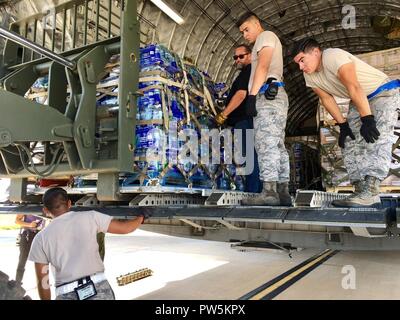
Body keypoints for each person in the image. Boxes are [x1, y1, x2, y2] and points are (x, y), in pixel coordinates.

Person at [293, 38, 400, 207]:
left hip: (382, 92)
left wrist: (368, 119)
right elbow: (326, 99)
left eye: (302, 60)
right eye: (297, 63)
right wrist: (342, 125)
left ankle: (371, 191)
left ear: (315, 52)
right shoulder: (309, 75)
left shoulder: (333, 56)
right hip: (358, 98)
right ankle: (359, 189)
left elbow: (354, 86)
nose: (300, 67)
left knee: (376, 138)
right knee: (348, 141)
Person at [28, 187, 146, 300]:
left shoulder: (40, 239)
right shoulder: (91, 217)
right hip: (97, 288)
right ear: (69, 203)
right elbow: (126, 228)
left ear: (45, 210)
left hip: (66, 293)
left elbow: (43, 282)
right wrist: (141, 217)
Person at [236, 12, 291, 206]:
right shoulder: (266, 39)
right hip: (274, 94)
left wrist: (251, 96)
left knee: (266, 143)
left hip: (267, 95)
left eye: (246, 29)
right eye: (242, 32)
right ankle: (283, 192)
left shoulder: (265, 37)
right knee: (277, 145)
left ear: (256, 23)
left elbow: (263, 66)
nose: (245, 35)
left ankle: (269, 192)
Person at [215, 44, 262, 193]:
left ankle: (253, 192)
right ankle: (258, 190)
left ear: (250, 55)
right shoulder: (251, 71)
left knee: (250, 157)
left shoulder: (248, 71)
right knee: (253, 156)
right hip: (248, 121)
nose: (237, 60)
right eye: (235, 57)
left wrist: (223, 114)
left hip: (244, 121)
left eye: (241, 56)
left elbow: (241, 95)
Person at [14, 214, 45, 285]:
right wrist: (30, 225)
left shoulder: (44, 207)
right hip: (28, 235)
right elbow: (16, 221)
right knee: (22, 260)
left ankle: (43, 283)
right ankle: (17, 282)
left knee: (42, 260)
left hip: (40, 236)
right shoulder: (28, 206)